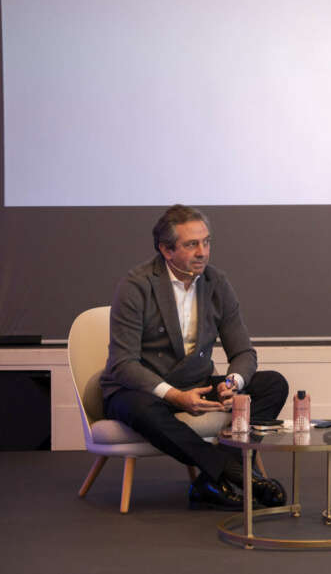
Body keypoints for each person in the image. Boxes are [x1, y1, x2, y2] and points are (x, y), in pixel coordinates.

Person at [100, 204, 290, 510]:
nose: (203, 252)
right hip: (142, 390)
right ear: (166, 249)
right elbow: (124, 364)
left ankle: (210, 482)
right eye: (192, 244)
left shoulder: (217, 283)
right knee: (142, 408)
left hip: (196, 383)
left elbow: (243, 351)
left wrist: (232, 382)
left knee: (273, 384)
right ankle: (234, 472)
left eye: (206, 242)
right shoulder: (136, 285)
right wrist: (175, 396)